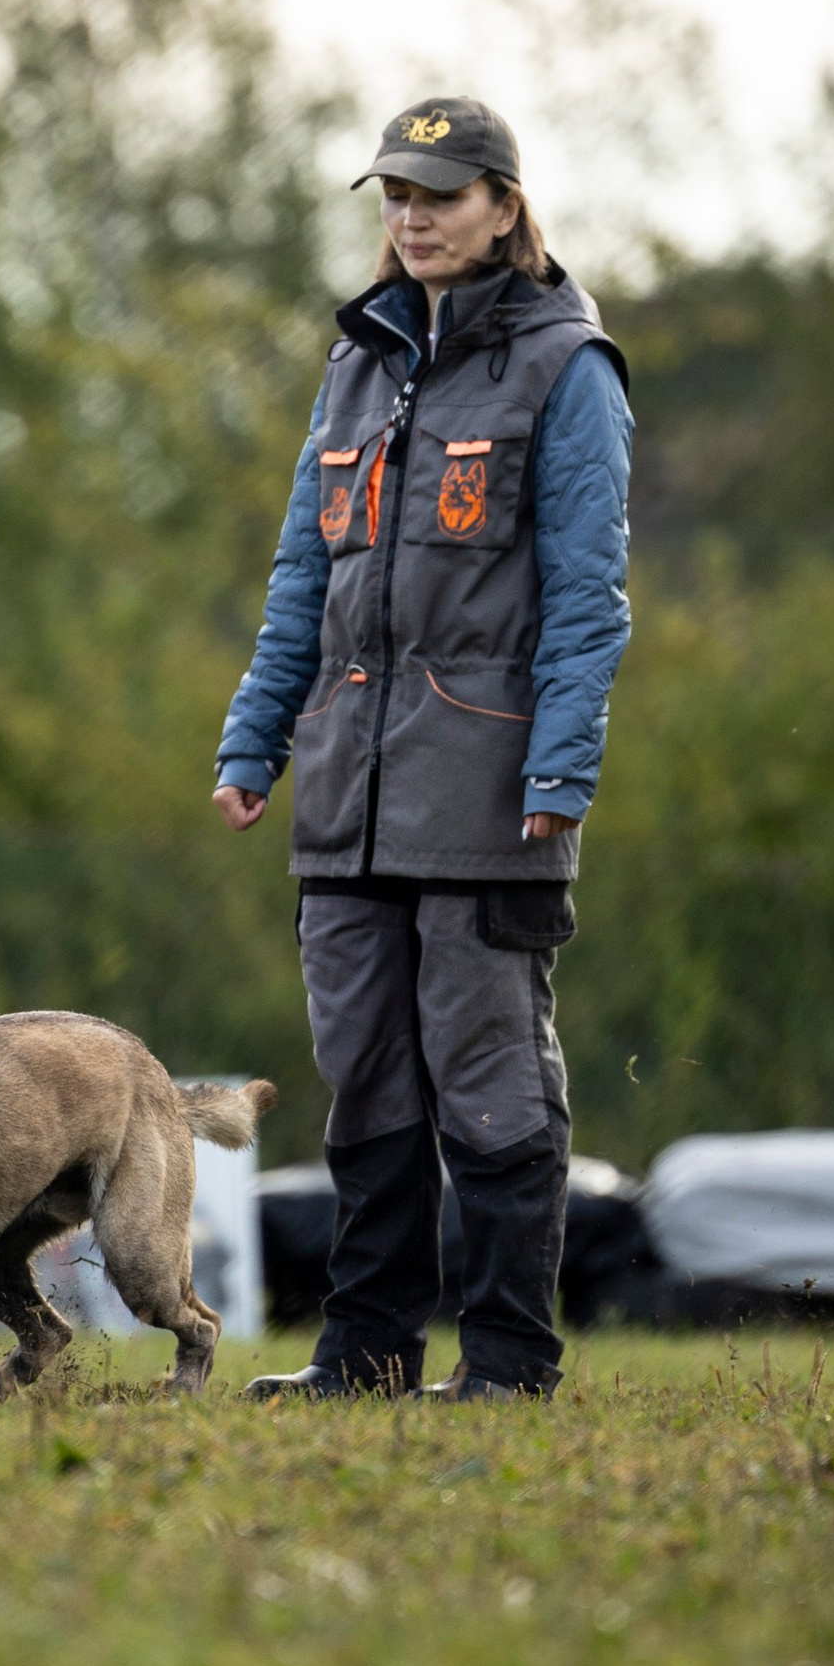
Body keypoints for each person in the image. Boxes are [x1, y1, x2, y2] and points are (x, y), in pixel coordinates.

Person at [212, 93, 632, 1399]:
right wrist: (254, 740)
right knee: (369, 1090)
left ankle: (508, 1359)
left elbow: (587, 596)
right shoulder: (356, 363)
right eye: (395, 194)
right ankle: (369, 1357)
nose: (412, 217)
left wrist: (561, 771)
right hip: (347, 795)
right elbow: (303, 578)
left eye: (439, 195)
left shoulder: (570, 369)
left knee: (490, 1083)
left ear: (504, 204)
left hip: (491, 796)